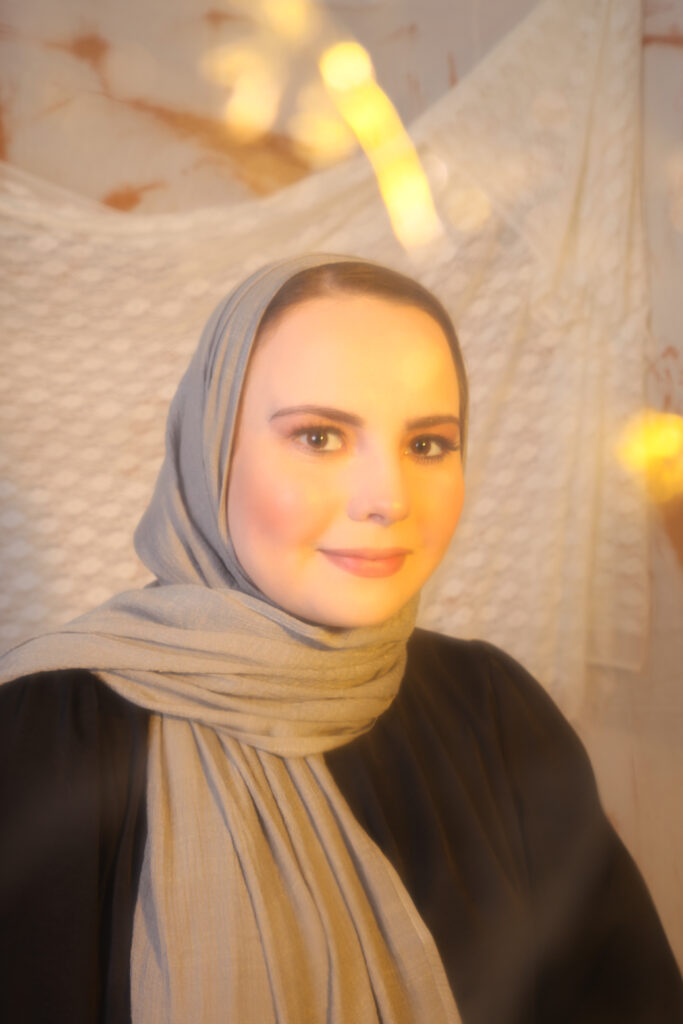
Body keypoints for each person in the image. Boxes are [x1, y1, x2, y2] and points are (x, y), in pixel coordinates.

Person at [0, 254, 681, 1024]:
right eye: (319, 436)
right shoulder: (43, 735)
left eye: (428, 444)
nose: (387, 498)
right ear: (211, 449)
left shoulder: (493, 714)